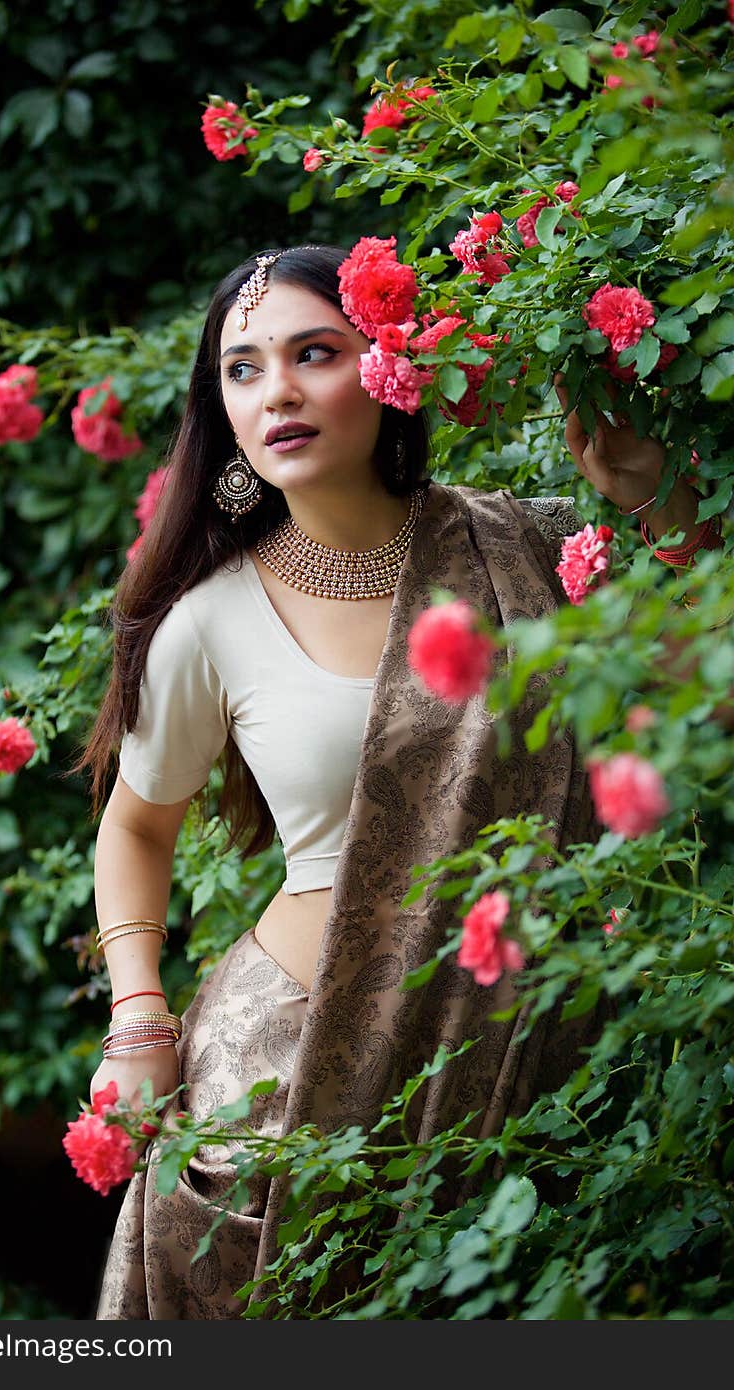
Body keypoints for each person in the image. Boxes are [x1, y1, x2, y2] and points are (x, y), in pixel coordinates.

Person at [75, 243, 721, 1320]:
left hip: (525, 1054)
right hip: (283, 1076)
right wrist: (138, 1018)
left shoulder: (522, 549)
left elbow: (709, 690)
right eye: (241, 369)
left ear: (387, 369)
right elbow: (134, 828)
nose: (274, 390)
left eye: (312, 353)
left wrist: (659, 504)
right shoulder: (211, 622)